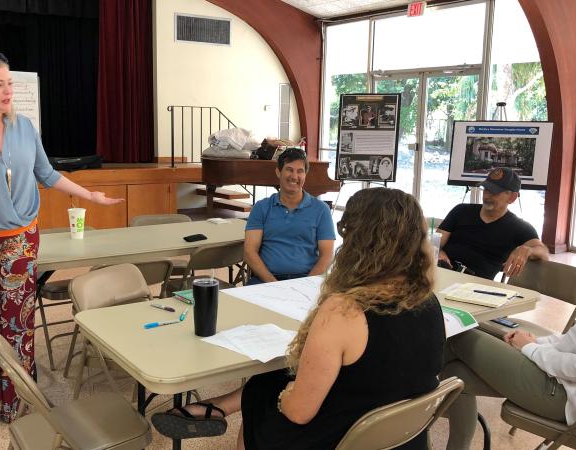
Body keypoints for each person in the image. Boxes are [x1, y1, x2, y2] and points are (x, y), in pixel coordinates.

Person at [151, 187, 446, 449]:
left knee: (266, 404)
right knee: (276, 374)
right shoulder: (428, 301)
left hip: (346, 437)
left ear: (359, 243)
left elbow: (298, 412)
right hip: (404, 435)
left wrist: (286, 395)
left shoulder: (343, 311)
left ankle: (222, 408)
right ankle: (219, 406)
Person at [0, 53, 124, 438]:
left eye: (10, 83)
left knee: (18, 323)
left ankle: (17, 401)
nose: (8, 90)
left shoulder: (23, 128)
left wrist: (91, 195)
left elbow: (47, 174)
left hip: (20, 239)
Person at [442, 201, 576, 450]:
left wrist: (531, 349)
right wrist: (537, 342)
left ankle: (401, 411)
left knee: (459, 335)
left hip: (566, 398)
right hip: (564, 383)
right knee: (456, 375)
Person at [243, 148, 335, 285]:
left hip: (307, 280)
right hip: (265, 281)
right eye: (289, 169)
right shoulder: (261, 208)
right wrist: (274, 284)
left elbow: (327, 256)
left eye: (300, 171)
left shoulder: (321, 210)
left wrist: (304, 285)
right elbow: (249, 252)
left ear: (305, 175)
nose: (294, 176)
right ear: (278, 172)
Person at [437, 167, 548, 280]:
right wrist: (438, 252)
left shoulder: (519, 227)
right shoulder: (460, 210)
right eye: (486, 189)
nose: (487, 196)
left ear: (512, 197)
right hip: (442, 273)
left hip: (477, 287)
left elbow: (543, 252)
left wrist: (527, 250)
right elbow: (434, 243)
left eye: (494, 192)